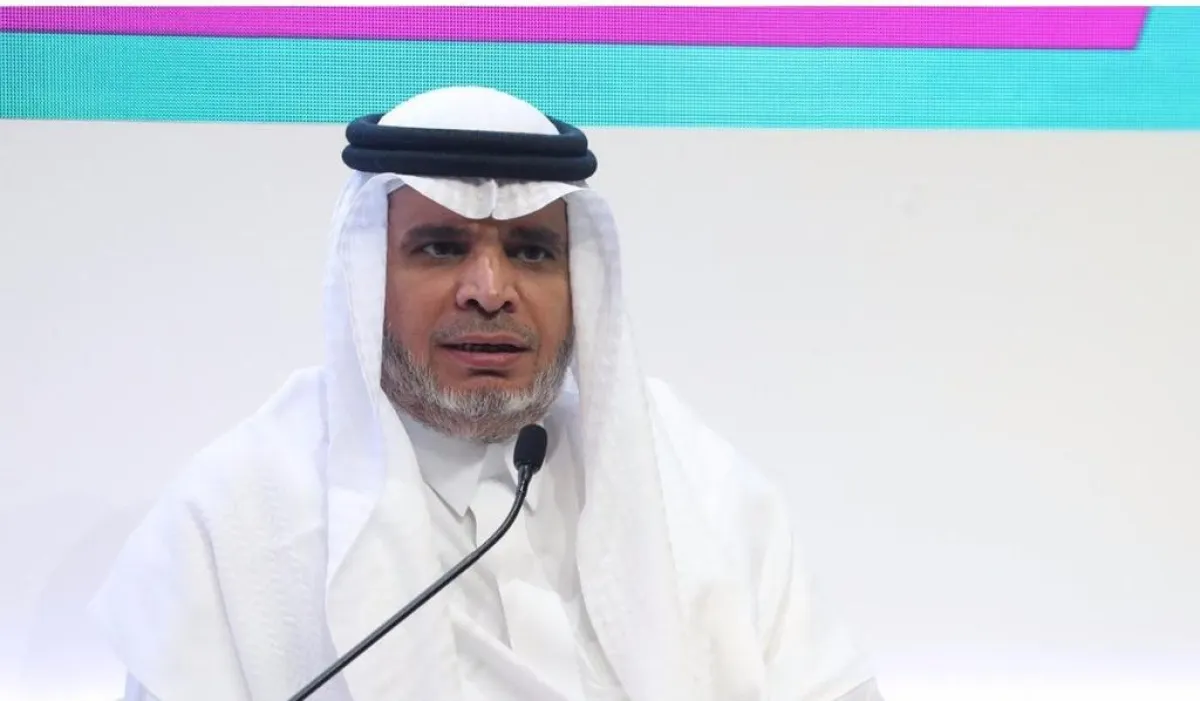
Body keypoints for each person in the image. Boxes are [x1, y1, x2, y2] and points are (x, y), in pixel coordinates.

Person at [89, 86, 885, 701]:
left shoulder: (696, 479)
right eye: (441, 247)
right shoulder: (239, 514)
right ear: (369, 279)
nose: (491, 290)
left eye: (533, 251)